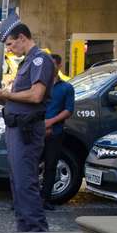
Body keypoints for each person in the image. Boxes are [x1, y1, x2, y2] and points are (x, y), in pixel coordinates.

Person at [0, 17, 55, 232]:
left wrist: (6, 94)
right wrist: (1, 97)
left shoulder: (40, 60)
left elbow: (35, 95)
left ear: (22, 38)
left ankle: (35, 231)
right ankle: (25, 229)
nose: (10, 49)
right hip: (16, 127)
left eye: (11, 44)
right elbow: (20, 97)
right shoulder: (27, 61)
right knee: (17, 182)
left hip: (27, 129)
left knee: (25, 181)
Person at [41, 70, 75, 210]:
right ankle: (24, 199)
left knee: (50, 165)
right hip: (36, 131)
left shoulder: (66, 87)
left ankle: (45, 200)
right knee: (29, 166)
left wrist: (51, 122)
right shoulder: (39, 86)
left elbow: (68, 110)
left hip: (55, 132)